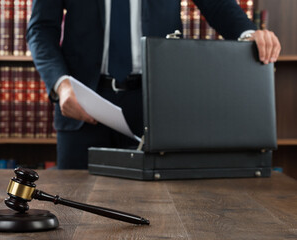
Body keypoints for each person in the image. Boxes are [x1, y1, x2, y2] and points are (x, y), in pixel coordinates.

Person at [27, 0, 281, 169]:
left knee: (158, 211)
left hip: (157, 105)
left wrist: (250, 35)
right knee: (76, 208)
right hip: (83, 106)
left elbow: (217, 5)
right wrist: (61, 86)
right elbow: (40, 30)